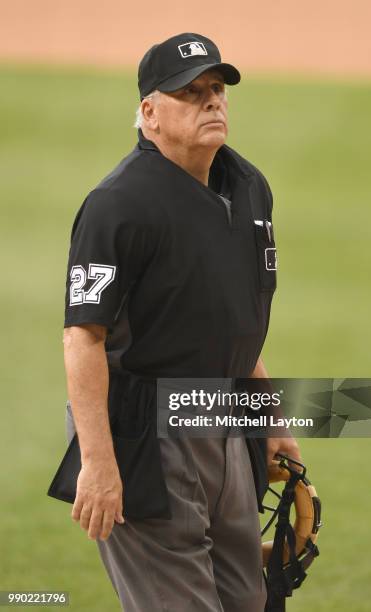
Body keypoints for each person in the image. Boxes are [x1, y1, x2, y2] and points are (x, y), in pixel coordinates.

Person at [63, 32, 301, 612]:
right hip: (144, 433)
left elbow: (236, 327)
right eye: (190, 93)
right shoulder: (119, 205)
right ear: (149, 112)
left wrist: (269, 420)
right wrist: (97, 464)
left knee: (248, 602)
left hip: (221, 417)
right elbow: (83, 336)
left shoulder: (248, 188)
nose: (211, 102)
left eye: (216, 89)